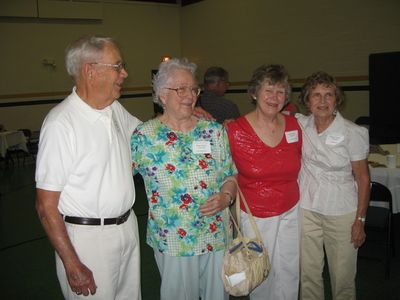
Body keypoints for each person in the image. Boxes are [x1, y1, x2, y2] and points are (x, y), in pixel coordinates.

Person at [35, 36, 141, 300]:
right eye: (118, 66)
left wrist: (183, 116)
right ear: (90, 71)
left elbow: (150, 137)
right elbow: (46, 207)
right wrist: (72, 263)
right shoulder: (61, 123)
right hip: (88, 241)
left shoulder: (114, 109)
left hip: (127, 228)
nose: (124, 73)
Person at [130, 58, 237, 300]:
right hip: (173, 239)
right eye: (180, 89)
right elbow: (119, 176)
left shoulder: (213, 131)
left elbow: (230, 174)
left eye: (193, 89)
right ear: (161, 95)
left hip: (215, 234)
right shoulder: (144, 136)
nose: (189, 95)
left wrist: (226, 197)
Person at [226, 64, 302, 300]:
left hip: (291, 208)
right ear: (254, 93)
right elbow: (225, 171)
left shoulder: (293, 125)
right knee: (261, 274)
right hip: (257, 215)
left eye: (280, 92)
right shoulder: (234, 130)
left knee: (290, 270)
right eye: (268, 90)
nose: (274, 97)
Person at [297, 71, 370, 300]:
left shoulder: (353, 132)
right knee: (308, 273)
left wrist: (360, 220)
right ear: (307, 101)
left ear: (337, 99)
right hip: (307, 208)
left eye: (328, 95)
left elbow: (363, 179)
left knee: (343, 277)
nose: (322, 101)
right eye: (316, 95)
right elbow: (265, 116)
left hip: (342, 211)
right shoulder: (299, 124)